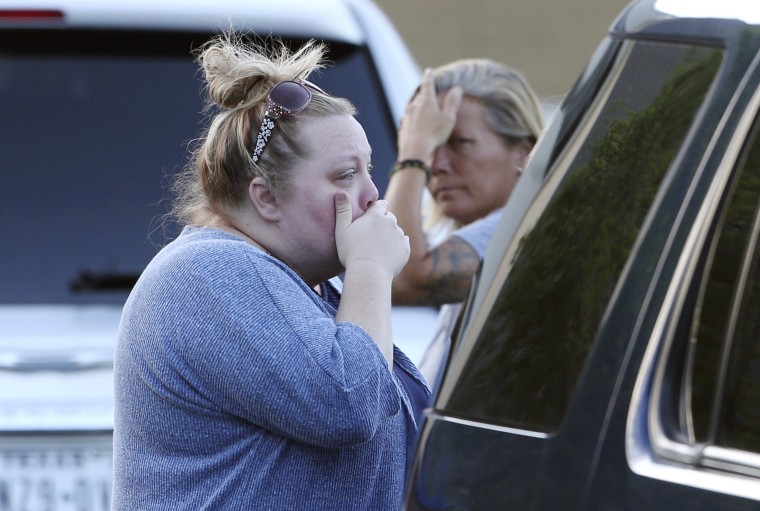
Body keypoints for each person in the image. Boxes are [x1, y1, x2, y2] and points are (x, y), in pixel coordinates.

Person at [112, 32, 429, 511]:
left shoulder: (303, 284)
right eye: (345, 175)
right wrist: (369, 266)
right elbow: (349, 401)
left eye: (368, 170)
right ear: (265, 197)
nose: (371, 196)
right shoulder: (206, 274)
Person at [385, 60, 544, 384]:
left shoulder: (519, 229)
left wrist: (412, 154)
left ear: (523, 152)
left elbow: (397, 276)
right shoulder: (477, 239)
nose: (437, 164)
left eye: (458, 142)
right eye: (432, 144)